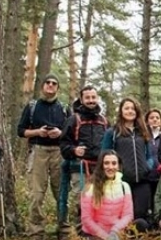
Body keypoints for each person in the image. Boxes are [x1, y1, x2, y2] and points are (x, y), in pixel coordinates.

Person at [16, 74, 69, 238]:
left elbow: (70, 133)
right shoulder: (32, 106)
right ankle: (36, 231)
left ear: (57, 88)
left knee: (61, 192)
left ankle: (64, 229)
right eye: (48, 83)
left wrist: (60, 133)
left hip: (58, 153)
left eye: (54, 83)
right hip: (38, 150)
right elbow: (21, 131)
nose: (51, 85)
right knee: (36, 194)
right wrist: (38, 132)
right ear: (42, 86)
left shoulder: (65, 108)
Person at [59, 85, 110, 233]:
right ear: (81, 99)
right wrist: (74, 150)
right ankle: (80, 234)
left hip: (101, 169)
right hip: (80, 168)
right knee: (81, 203)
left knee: (102, 202)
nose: (91, 100)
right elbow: (63, 144)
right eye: (87, 98)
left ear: (97, 98)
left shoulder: (104, 121)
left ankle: (99, 233)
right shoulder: (73, 119)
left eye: (93, 97)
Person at [101, 97, 155, 229]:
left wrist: (147, 166)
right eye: (126, 108)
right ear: (121, 111)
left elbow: (151, 155)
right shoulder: (113, 132)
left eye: (132, 108)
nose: (130, 111)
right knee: (122, 217)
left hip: (142, 181)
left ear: (137, 111)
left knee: (140, 217)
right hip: (121, 182)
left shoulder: (144, 131)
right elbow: (104, 155)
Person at [80, 150, 134, 240]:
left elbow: (128, 215)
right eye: (106, 163)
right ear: (101, 165)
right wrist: (106, 237)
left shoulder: (125, 187)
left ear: (118, 166)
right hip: (95, 235)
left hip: (117, 234)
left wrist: (115, 231)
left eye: (114, 163)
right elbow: (86, 219)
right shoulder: (90, 187)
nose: (110, 167)